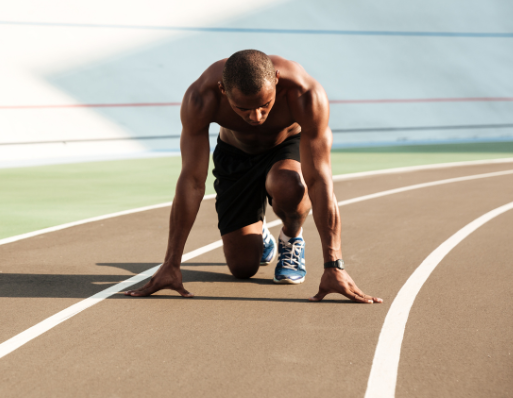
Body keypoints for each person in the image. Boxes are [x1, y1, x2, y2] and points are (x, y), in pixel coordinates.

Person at [125, 50, 382, 303]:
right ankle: (259, 235)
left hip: (286, 147)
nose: (256, 116)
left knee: (289, 185)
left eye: (265, 105)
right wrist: (171, 263)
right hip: (235, 156)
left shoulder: (305, 93)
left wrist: (334, 264)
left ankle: (291, 236)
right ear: (223, 90)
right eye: (244, 109)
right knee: (242, 268)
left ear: (277, 80)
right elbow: (192, 181)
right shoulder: (201, 97)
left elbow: (319, 180)